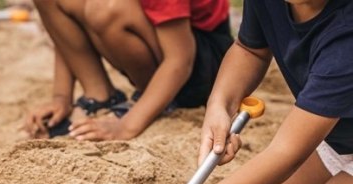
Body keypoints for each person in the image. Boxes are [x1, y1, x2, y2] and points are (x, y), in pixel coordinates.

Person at [138, 0, 353, 184]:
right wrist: (219, 105)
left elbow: (286, 153)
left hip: (335, 132)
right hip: (339, 136)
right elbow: (249, 49)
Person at [24, 0, 232, 141]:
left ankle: (156, 101)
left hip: (203, 63)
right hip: (165, 43)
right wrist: (61, 97)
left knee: (106, 9)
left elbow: (180, 60)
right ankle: (99, 97)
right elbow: (67, 29)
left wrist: (126, 127)